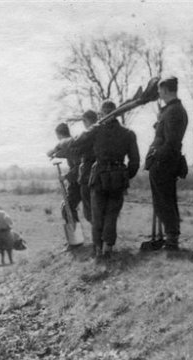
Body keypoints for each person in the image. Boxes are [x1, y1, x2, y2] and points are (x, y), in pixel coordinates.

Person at [71, 101, 140, 260]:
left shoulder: (95, 131)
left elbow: (78, 145)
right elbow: (134, 161)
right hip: (118, 178)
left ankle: (98, 248)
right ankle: (107, 247)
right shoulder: (128, 133)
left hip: (99, 177)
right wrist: (124, 175)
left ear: (102, 114)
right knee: (111, 213)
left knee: (97, 214)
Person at [145, 76, 188, 251]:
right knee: (163, 201)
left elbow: (171, 142)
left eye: (160, 91)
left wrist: (156, 155)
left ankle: (171, 240)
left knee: (165, 202)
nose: (158, 94)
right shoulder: (170, 109)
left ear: (165, 90)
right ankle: (170, 238)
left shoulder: (175, 111)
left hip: (164, 163)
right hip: (163, 162)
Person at [47, 123, 82, 224]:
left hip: (78, 183)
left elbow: (78, 166)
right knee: (67, 208)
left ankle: (76, 239)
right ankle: (75, 238)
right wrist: (55, 154)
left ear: (60, 135)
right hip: (78, 182)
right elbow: (64, 152)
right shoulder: (72, 143)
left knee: (67, 209)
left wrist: (66, 176)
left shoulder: (71, 145)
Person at [78, 110, 98, 223]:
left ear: (87, 121)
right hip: (99, 176)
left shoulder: (88, 136)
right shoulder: (102, 133)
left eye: (84, 121)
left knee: (89, 211)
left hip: (88, 177)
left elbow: (78, 150)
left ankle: (97, 238)